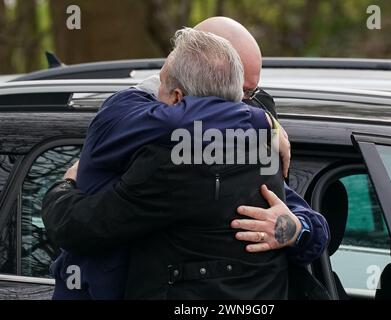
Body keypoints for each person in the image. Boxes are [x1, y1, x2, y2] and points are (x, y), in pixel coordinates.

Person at [44, 18, 329, 299]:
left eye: (249, 93)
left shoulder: (235, 141)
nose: (242, 101)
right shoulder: (134, 120)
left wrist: (292, 230)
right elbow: (84, 225)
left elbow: (308, 224)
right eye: (237, 90)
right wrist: (262, 119)